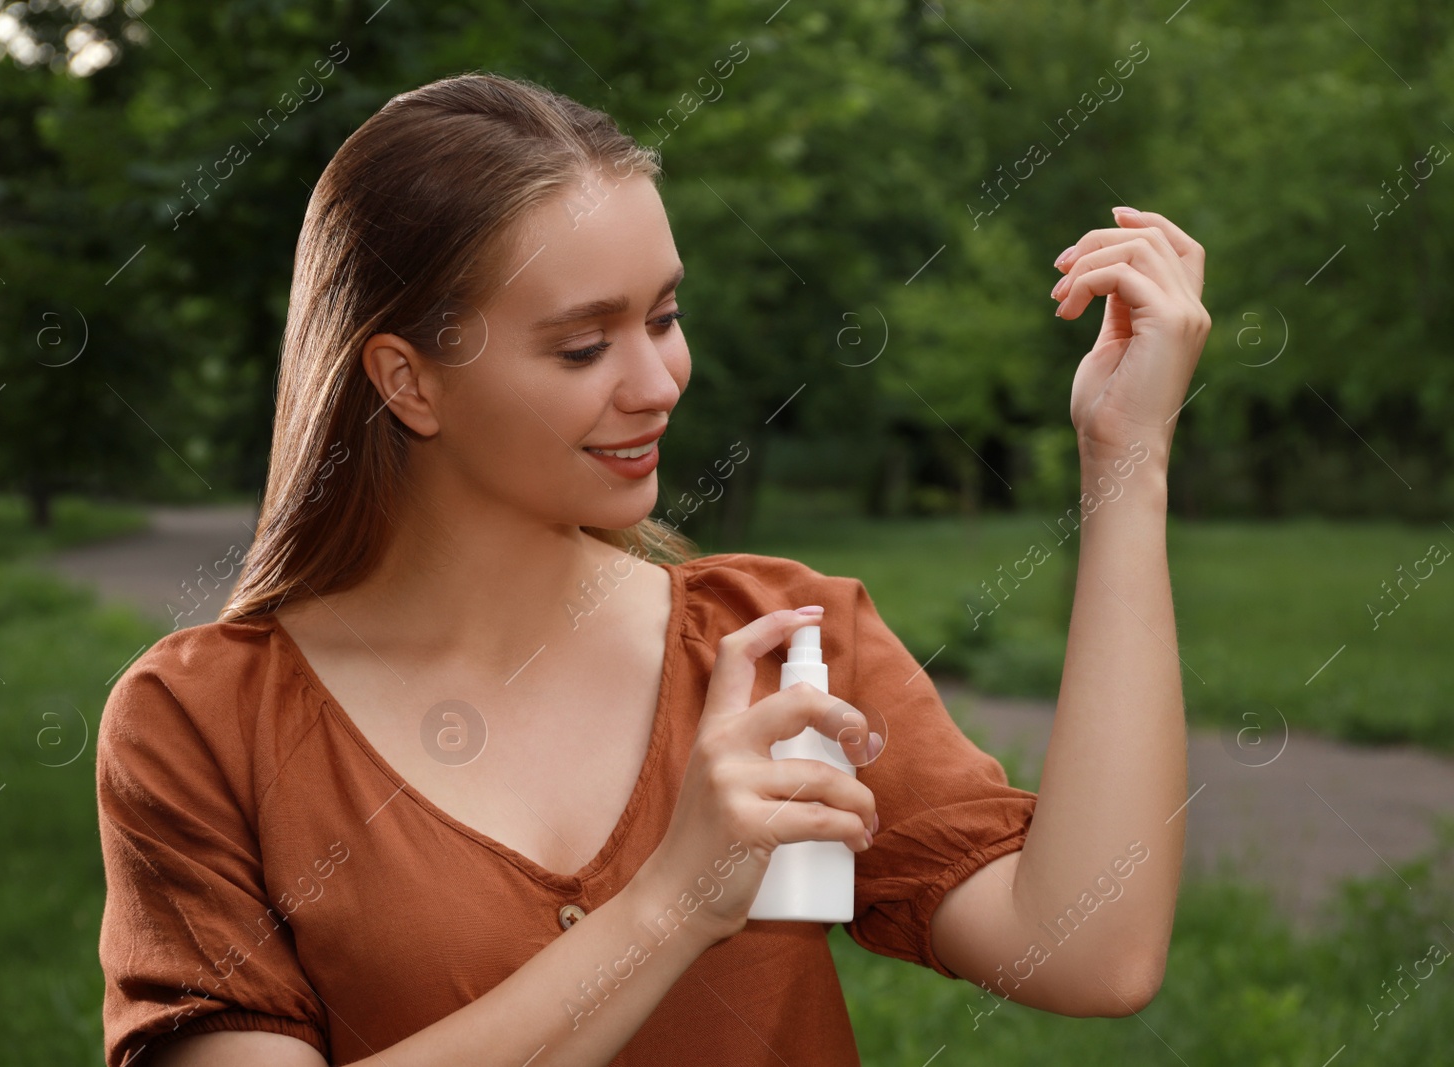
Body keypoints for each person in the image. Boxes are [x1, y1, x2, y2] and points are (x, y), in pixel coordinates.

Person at [96, 70, 1208, 1067]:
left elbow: (1090, 949)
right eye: (583, 345)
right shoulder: (202, 722)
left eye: (664, 317)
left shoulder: (781, 642)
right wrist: (675, 899)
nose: (658, 380)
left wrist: (1128, 460)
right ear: (407, 380)